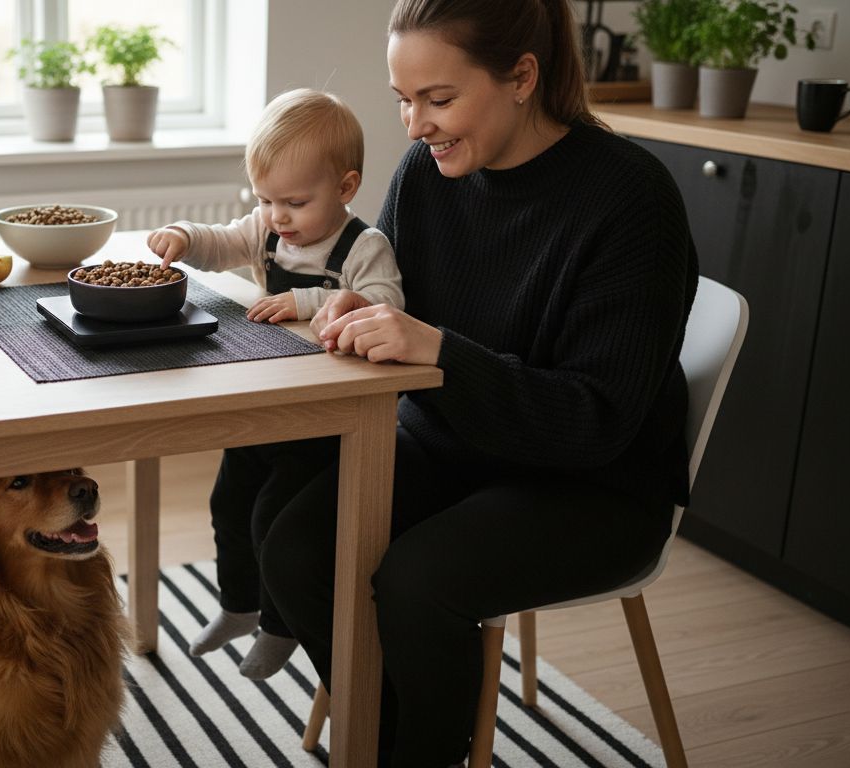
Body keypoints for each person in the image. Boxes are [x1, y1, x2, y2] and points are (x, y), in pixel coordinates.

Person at [251, 0, 700, 765]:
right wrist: (364, 308)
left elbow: (595, 421)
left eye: (439, 98)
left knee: (418, 580)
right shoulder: (430, 177)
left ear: (522, 76)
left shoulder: (630, 200)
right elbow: (393, 296)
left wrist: (437, 348)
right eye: (403, 100)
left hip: (594, 484)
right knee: (292, 545)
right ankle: (384, 735)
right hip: (456, 445)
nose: (415, 125)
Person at [147, 88, 405, 679]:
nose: (278, 217)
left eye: (293, 201)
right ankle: (239, 605)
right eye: (266, 200)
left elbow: (385, 302)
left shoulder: (364, 247)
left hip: (324, 418)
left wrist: (309, 300)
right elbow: (222, 242)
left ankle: (280, 625)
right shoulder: (267, 227)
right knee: (228, 503)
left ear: (345, 187)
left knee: (271, 517)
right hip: (266, 398)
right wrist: (184, 237)